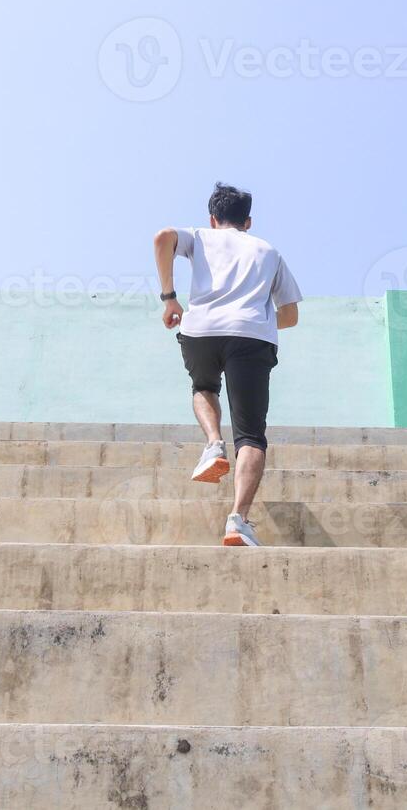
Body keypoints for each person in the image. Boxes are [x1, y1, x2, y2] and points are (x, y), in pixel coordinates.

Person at [153, 182, 303, 547]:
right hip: (252, 337)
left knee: (203, 387)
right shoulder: (269, 251)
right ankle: (237, 521)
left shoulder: (200, 237)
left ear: (212, 217)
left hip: (201, 330)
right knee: (251, 434)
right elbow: (291, 315)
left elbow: (162, 237)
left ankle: (214, 443)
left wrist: (170, 298)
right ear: (248, 222)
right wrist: (260, 321)